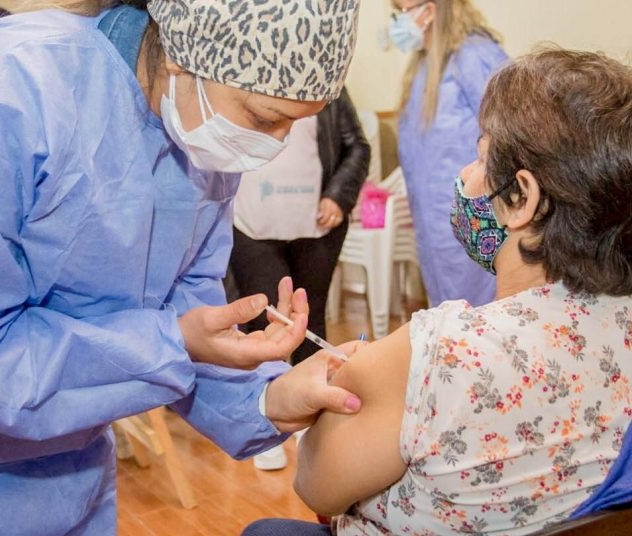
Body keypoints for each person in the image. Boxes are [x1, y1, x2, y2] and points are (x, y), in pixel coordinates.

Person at [0, 1, 363, 534]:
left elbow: (189, 312)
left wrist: (270, 397)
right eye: (264, 119)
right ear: (181, 53)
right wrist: (172, 341)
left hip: (74, 478)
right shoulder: (17, 89)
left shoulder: (199, 129)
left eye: (295, 124)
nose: (273, 146)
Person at [243, 48, 632, 535]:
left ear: (521, 198)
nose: (466, 175)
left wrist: (348, 388)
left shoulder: (437, 354)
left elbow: (315, 486)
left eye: (482, 157)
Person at [230, 89, 371, 471]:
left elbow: (357, 147)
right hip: (251, 224)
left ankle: (313, 417)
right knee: (265, 324)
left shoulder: (328, 87)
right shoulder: (238, 80)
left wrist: (338, 197)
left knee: (310, 322)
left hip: (316, 228)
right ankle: (263, 422)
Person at [391, 0, 508, 307]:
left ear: (429, 11)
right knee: (445, 301)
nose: (398, 22)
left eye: (402, 12)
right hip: (433, 214)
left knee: (475, 302)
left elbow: (509, 128)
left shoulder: (474, 55)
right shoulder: (426, 64)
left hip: (474, 208)